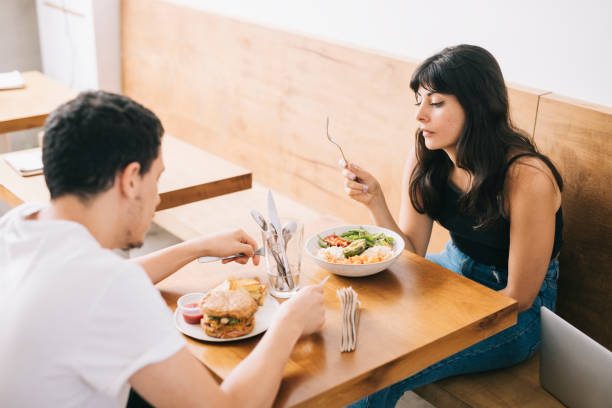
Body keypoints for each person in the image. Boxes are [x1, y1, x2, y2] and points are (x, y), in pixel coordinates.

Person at [0, 91, 325, 408]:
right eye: (157, 179)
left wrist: (196, 247)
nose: (157, 197)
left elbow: (95, 286)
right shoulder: (107, 288)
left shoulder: (18, 225)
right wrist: (289, 323)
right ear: (130, 180)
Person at [340, 44, 563, 407]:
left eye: (437, 102)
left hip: (515, 310)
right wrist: (375, 201)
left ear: (476, 106)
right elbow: (410, 250)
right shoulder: (427, 155)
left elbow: (519, 297)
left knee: (378, 372)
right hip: (451, 270)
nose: (420, 116)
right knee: (349, 328)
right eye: (420, 101)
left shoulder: (527, 177)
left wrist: (431, 320)